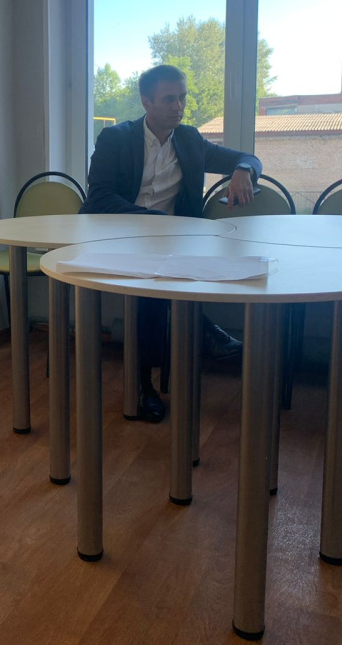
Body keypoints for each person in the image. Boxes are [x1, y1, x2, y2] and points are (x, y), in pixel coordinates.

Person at [80, 64, 262, 423]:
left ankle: (146, 381)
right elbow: (98, 197)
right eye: (169, 99)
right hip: (119, 236)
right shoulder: (116, 138)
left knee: (159, 281)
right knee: (155, 284)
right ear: (146, 102)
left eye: (182, 97)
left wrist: (244, 171)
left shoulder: (190, 140)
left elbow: (248, 157)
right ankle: (199, 335)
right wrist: (154, 220)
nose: (179, 106)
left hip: (172, 242)